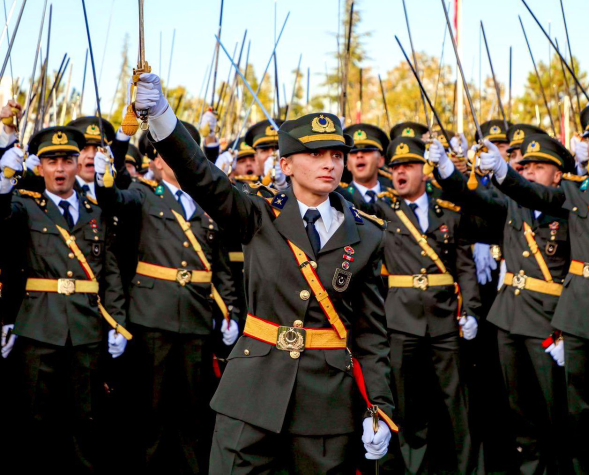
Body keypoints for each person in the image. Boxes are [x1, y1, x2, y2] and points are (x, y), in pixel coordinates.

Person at [132, 72, 396, 474]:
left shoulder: (367, 234)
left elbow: (372, 333)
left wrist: (379, 406)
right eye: (315, 153)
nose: (329, 163)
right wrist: (163, 117)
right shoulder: (257, 212)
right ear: (286, 163)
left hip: (325, 402)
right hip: (252, 393)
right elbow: (203, 177)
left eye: (337, 154)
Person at [478, 95, 589, 472]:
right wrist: (502, 170)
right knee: (582, 419)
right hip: (579, 320)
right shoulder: (573, 191)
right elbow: (532, 192)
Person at [94, 120, 239, 474]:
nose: (177, 161)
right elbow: (113, 197)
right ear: (155, 161)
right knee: (151, 410)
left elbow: (221, 267)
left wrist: (230, 312)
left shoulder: (210, 202)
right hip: (152, 315)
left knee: (193, 410)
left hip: (196, 316)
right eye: (168, 155)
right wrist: (107, 170)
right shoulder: (145, 194)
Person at [431, 132, 574, 473]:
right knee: (519, 411)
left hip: (549, 321)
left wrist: (567, 326)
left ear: (558, 175)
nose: (529, 172)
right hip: (509, 318)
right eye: (525, 166)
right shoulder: (512, 206)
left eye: (539, 167)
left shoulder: (569, 205)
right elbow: (475, 199)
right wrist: (448, 169)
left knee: (557, 411)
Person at [0, 125, 128, 474]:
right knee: (35, 423)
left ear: (77, 164)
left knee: (84, 423)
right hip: (39, 328)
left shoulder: (95, 211)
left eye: (67, 160)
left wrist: (117, 321)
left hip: (85, 331)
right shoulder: (23, 205)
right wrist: (4, 180)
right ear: (38, 167)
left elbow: (109, 272)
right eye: (51, 161)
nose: (60, 169)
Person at [375, 134, 481, 474]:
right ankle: (414, 468)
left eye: (408, 165)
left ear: (424, 170)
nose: (400, 172)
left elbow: (464, 266)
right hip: (401, 318)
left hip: (445, 318)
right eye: (395, 167)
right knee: (409, 405)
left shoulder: (447, 211)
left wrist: (473, 310)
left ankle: (468, 469)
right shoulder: (381, 210)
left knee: (458, 403)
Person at [338, 123, 391, 213]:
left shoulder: (395, 197)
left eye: (367, 150)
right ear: (348, 164)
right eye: (354, 152)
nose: (359, 155)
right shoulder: (340, 198)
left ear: (380, 161)